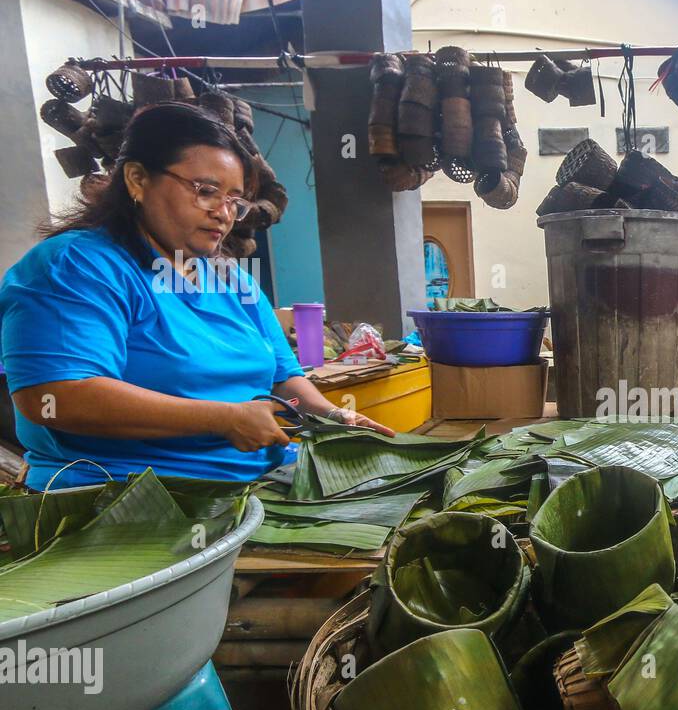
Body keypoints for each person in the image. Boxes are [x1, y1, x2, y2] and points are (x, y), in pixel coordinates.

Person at [0, 101, 391, 492]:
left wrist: (332, 417)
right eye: (206, 191)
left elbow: (282, 377)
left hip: (258, 480)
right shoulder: (75, 266)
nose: (223, 213)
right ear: (137, 179)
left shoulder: (230, 278)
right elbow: (55, 397)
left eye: (234, 201)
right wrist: (222, 418)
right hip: (131, 497)